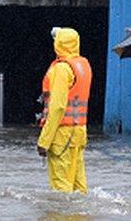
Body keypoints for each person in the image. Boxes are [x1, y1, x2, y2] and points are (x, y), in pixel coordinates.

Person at [36, 27, 92, 193]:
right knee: (79, 188)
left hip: (62, 135)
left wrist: (44, 141)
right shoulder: (83, 65)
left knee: (61, 190)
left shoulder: (61, 69)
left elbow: (58, 107)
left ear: (58, 44)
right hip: (79, 133)